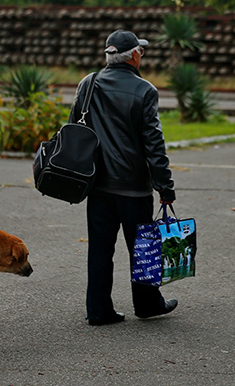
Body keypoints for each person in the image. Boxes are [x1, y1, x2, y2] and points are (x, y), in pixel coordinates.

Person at [69, 30, 178, 326]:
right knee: (143, 248)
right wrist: (165, 186)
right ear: (133, 55)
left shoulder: (88, 84)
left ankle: (98, 310)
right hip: (134, 188)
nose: (141, 55)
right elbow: (154, 144)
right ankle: (147, 304)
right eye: (140, 51)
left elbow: (74, 131)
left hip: (98, 185)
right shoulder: (144, 91)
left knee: (100, 251)